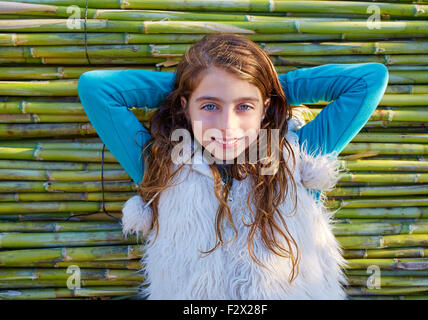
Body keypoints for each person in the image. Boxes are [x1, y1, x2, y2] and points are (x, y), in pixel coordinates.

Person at [77, 33, 389, 300]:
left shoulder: (296, 155)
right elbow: (96, 89)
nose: (227, 126)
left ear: (265, 108)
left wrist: (265, 84)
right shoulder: (160, 163)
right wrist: (192, 81)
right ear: (184, 107)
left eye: (244, 106)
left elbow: (369, 80)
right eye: (210, 105)